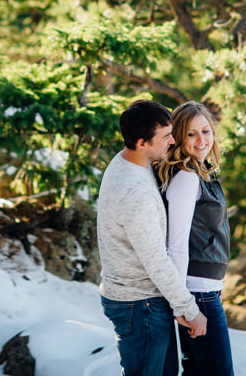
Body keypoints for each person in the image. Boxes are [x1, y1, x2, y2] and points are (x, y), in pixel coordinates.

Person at [98, 99, 208, 376]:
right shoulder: (135, 192)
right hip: (140, 305)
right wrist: (189, 309)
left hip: (140, 302)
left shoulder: (128, 161)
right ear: (141, 142)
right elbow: (156, 260)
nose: (173, 141)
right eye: (165, 136)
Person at [155, 100, 234, 376]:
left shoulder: (203, 172)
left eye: (206, 131)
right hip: (197, 293)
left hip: (205, 290)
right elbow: (175, 246)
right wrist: (184, 306)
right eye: (191, 134)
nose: (201, 139)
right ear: (178, 137)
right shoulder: (187, 179)